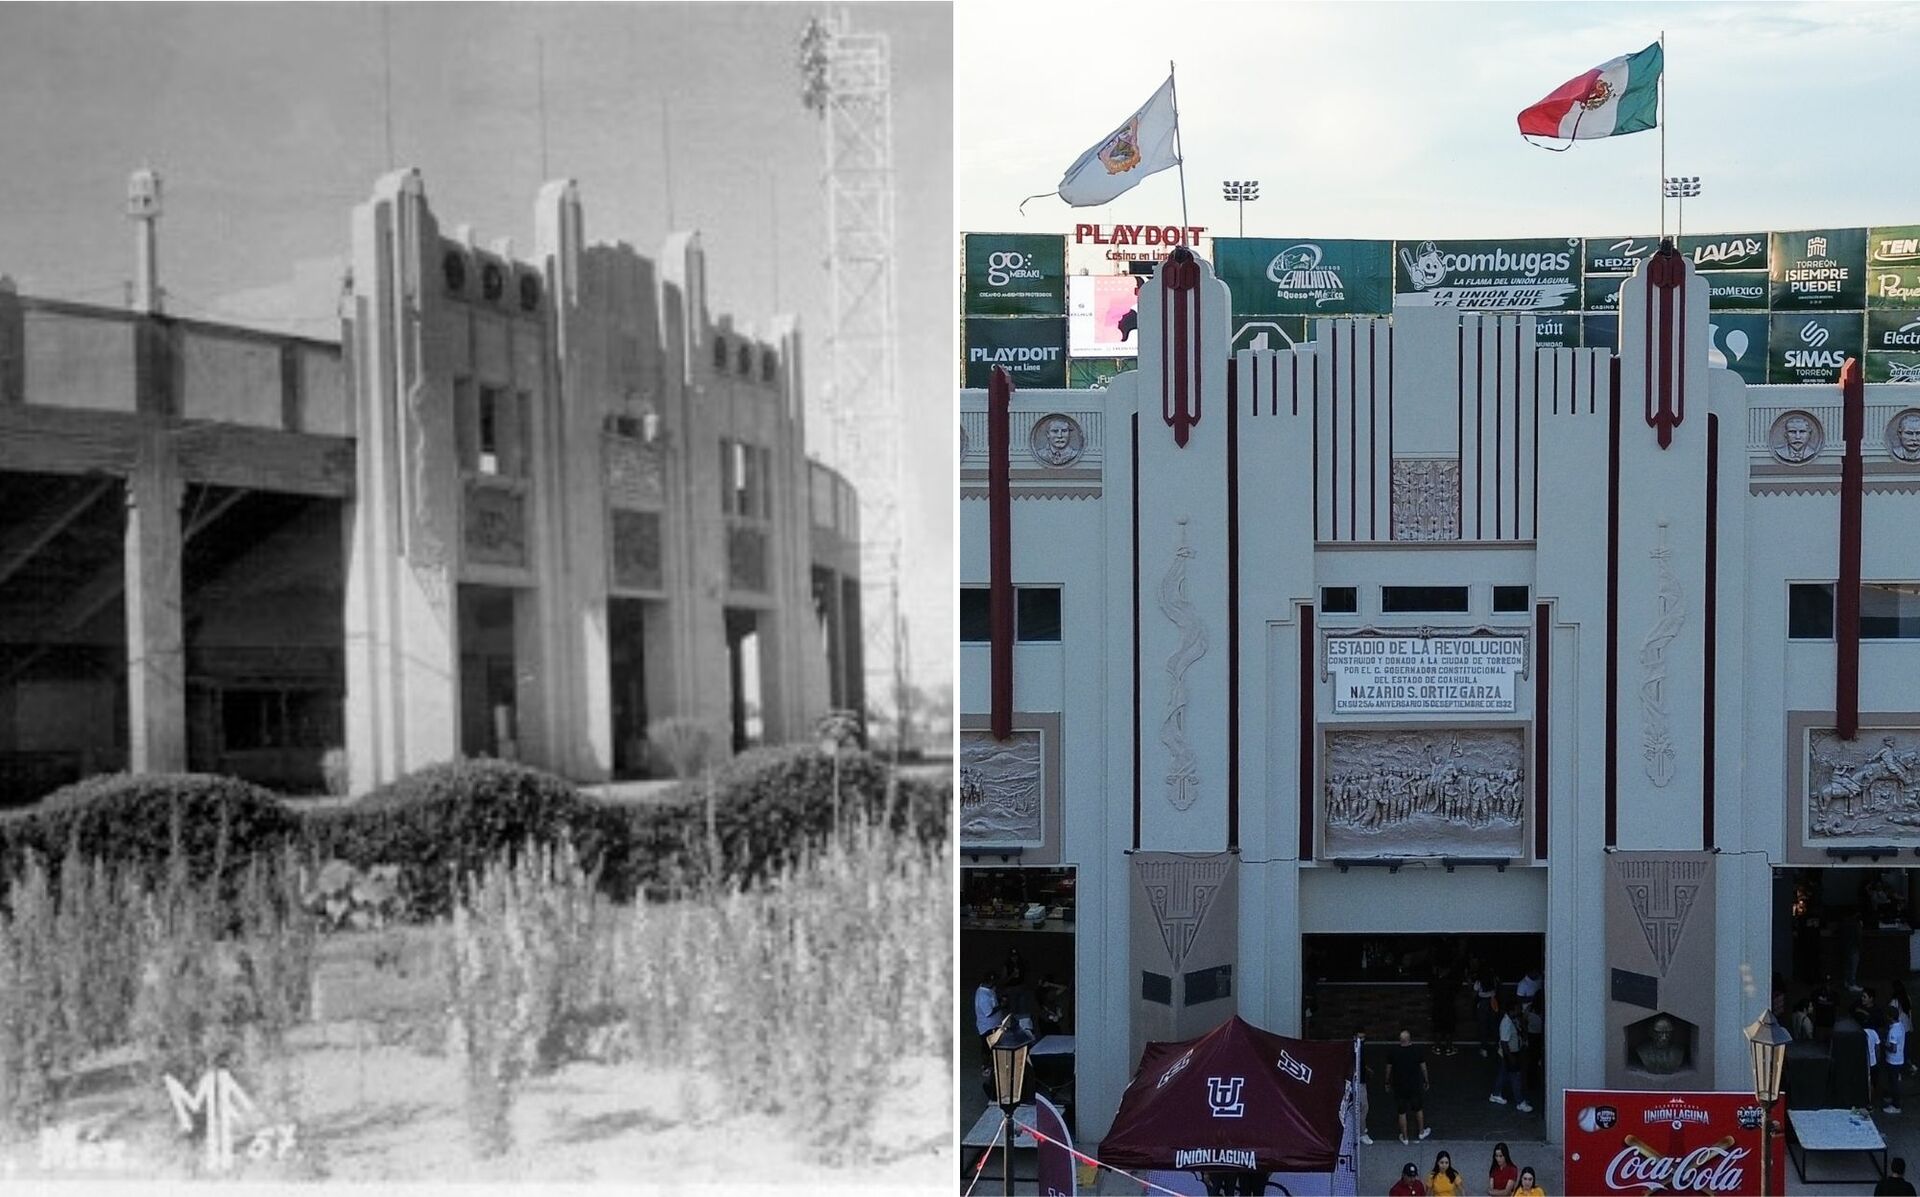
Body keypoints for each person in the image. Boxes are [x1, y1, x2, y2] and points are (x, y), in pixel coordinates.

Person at [1388, 1028, 1433, 1144]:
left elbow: (1388, 1068)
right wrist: (1426, 1080)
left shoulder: (1393, 1052)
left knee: (1401, 1112)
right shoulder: (1417, 1051)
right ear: (1410, 1039)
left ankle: (1405, 1137)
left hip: (1399, 1087)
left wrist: (1387, 1081)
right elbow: (1423, 1067)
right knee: (1418, 1109)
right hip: (1414, 1086)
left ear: (1400, 1040)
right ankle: (1421, 1132)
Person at [1490, 1000, 1533, 1112]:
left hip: (1512, 1052)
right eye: (1517, 1009)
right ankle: (1520, 1102)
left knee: (1503, 1074)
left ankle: (1495, 1093)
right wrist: (1510, 1057)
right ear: (1511, 1010)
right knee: (1515, 1077)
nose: (1520, 1010)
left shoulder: (1513, 1020)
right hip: (1510, 1053)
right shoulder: (1506, 1023)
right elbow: (1504, 1042)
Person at [1885, 1003, 1907, 1113]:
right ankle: (1893, 1098)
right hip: (1899, 1059)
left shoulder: (1893, 1031)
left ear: (1890, 1017)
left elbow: (1893, 1048)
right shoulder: (1901, 1026)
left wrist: (1885, 1045)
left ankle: (1896, 1106)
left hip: (1893, 1060)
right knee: (1893, 1081)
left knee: (1894, 1083)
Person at [973, 969, 1002, 1054]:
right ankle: (986, 1066)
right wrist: (1001, 1006)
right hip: (988, 1028)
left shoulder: (987, 989)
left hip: (994, 1025)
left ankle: (991, 1064)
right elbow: (989, 1013)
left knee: (993, 1047)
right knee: (988, 1048)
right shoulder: (983, 997)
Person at [1354, 1028, 1375, 1145]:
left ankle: (1361, 1128)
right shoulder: (1357, 1050)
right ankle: (1361, 1132)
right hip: (1358, 1083)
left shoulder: (1357, 1049)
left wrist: (1367, 1069)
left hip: (1360, 1081)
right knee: (1363, 1107)